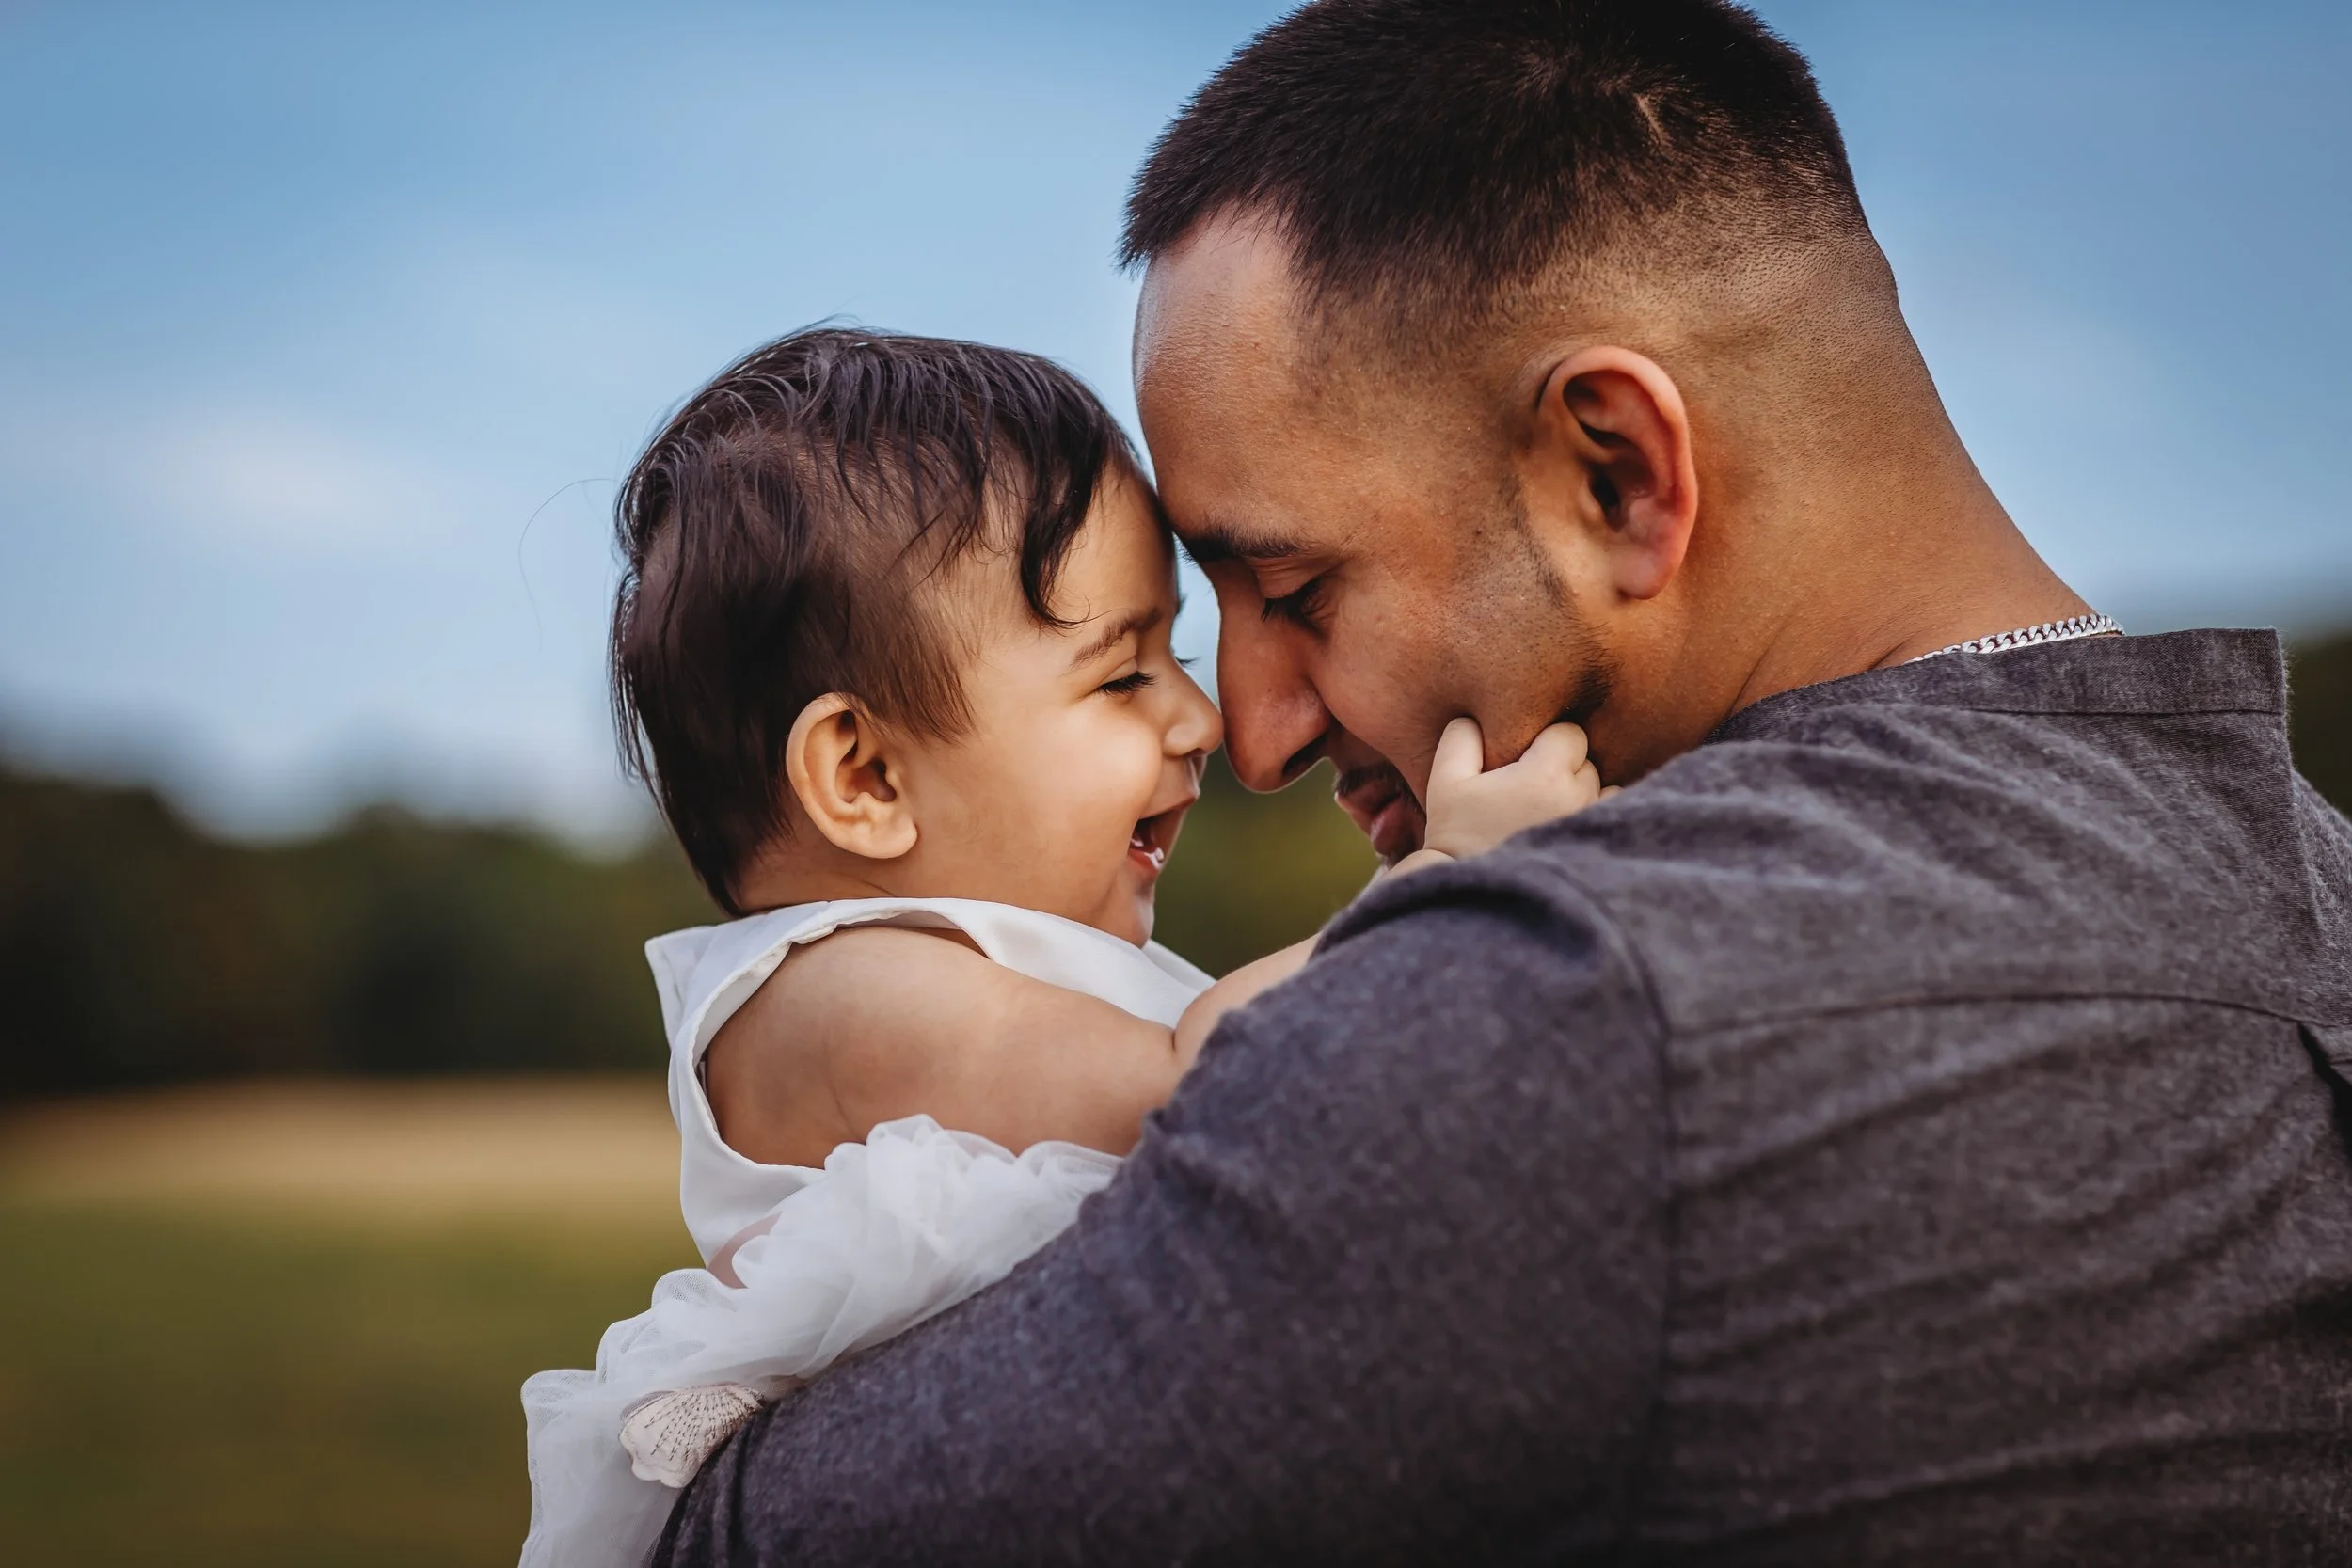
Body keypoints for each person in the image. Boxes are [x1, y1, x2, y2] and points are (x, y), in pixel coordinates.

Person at [650, 2, 2352, 1564]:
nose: (1246, 736)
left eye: (1297, 592)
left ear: (1615, 474)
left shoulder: (1574, 1004)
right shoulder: (2309, 882)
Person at [516, 328, 1601, 1568]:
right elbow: (1212, 1080)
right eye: (1122, 674)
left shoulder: (1008, 971)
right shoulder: (840, 990)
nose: (1201, 718)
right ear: (865, 774)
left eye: (1173, 656)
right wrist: (1450, 877)